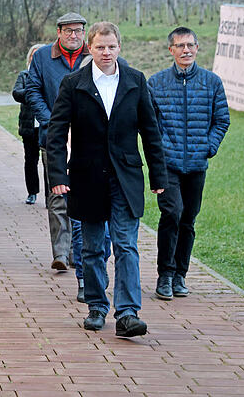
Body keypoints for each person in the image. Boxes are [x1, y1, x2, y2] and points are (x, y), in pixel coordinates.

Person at [46, 21, 167, 338]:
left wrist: (158, 174)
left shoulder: (135, 81)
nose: (106, 52)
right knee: (93, 247)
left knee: (126, 245)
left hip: (125, 177)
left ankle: (127, 313)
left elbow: (151, 132)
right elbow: (56, 134)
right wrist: (58, 175)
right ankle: (97, 306)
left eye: (111, 46)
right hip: (87, 176)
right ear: (90, 48)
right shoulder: (74, 84)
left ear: (119, 48)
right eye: (100, 47)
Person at [148, 26, 230, 300]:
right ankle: (165, 275)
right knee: (171, 213)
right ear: (171, 50)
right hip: (168, 163)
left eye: (190, 45)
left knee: (188, 219)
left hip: (196, 163)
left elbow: (222, 120)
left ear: (197, 48)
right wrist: (160, 149)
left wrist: (209, 146)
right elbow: (149, 123)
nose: (186, 50)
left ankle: (180, 274)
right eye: (180, 46)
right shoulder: (156, 83)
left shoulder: (212, 82)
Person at [24, 12, 89, 275]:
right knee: (58, 195)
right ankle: (60, 252)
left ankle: (78, 249)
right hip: (54, 140)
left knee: (83, 195)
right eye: (69, 30)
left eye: (79, 31)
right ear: (59, 32)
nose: (74, 35)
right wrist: (52, 121)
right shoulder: (42, 57)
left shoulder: (92, 56)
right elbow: (32, 91)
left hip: (87, 140)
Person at [12, 44, 43, 205]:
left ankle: (52, 195)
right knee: (30, 161)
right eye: (33, 55)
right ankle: (32, 192)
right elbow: (16, 93)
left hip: (46, 126)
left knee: (49, 162)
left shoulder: (48, 75)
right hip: (29, 126)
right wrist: (33, 91)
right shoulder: (24, 76)